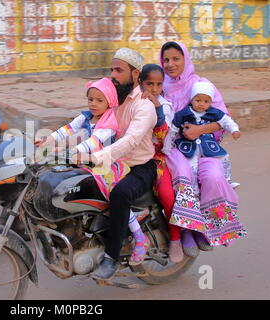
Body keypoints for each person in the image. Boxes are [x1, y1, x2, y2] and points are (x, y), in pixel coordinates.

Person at [74, 48, 157, 280]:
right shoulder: (111, 101)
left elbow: (130, 141)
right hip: (112, 163)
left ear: (135, 74)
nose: (113, 74)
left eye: (118, 70)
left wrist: (96, 157)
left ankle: (110, 257)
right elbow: (88, 126)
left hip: (139, 166)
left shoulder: (144, 105)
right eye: (111, 69)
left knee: (119, 194)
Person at [159, 41, 247, 255]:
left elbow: (223, 119)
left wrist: (199, 130)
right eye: (166, 60)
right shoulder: (161, 85)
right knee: (183, 174)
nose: (170, 64)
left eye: (176, 59)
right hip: (176, 148)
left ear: (186, 59)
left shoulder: (201, 84)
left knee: (214, 176)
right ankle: (188, 230)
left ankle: (206, 227)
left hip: (205, 146)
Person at [138, 63, 184, 263]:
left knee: (167, 197)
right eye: (150, 84)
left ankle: (175, 239)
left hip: (156, 158)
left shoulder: (164, 106)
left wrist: (157, 109)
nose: (154, 89)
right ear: (141, 83)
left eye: (158, 84)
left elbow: (161, 135)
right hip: (130, 154)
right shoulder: (133, 101)